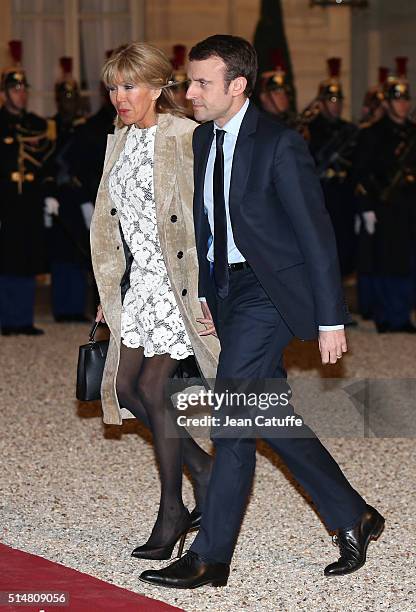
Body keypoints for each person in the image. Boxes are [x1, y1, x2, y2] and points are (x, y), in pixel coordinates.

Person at [139, 35, 385, 589]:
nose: (192, 91)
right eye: (190, 80)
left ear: (238, 86)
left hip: (270, 294)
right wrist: (203, 292)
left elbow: (315, 232)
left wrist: (331, 318)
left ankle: (210, 555)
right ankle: (354, 515)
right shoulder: (204, 140)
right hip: (226, 291)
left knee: (231, 418)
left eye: (203, 82)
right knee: (262, 412)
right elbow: (206, 227)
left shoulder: (279, 145)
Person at [90, 42, 219, 561]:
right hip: (140, 281)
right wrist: (109, 289)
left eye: (130, 86)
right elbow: (111, 226)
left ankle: (172, 509)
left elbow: (211, 218)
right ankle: (204, 469)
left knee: (149, 385)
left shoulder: (184, 137)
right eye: (113, 87)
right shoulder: (119, 140)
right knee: (124, 387)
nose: (119, 97)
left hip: (178, 279)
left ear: (160, 86)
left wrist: (210, 287)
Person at [351, 57, 416, 333]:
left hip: (411, 206)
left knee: (409, 263)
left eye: (405, 100)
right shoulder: (372, 135)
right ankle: (388, 316)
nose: (402, 104)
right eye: (397, 100)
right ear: (387, 103)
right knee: (387, 263)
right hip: (385, 207)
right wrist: (366, 208)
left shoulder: (413, 133)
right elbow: (360, 174)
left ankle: (403, 315)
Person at [0, 40, 55, 336]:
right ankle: (6, 320)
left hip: (30, 201)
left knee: (28, 259)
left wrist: (48, 194)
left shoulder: (37, 124)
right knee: (5, 260)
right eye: (15, 89)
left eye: (24, 89)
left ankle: (23, 318)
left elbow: (47, 164)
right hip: (5, 201)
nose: (21, 94)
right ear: (4, 93)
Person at [47, 57, 90, 323]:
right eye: (64, 97)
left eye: (73, 97)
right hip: (58, 196)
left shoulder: (84, 128)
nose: (68, 102)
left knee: (79, 252)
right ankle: (61, 308)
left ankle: (76, 307)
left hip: (79, 196)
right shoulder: (50, 127)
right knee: (59, 253)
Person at [308, 58, 358, 278]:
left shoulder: (347, 129)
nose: (336, 105)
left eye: (339, 100)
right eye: (331, 100)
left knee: (345, 245)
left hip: (343, 192)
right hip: (322, 193)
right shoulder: (311, 128)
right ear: (321, 102)